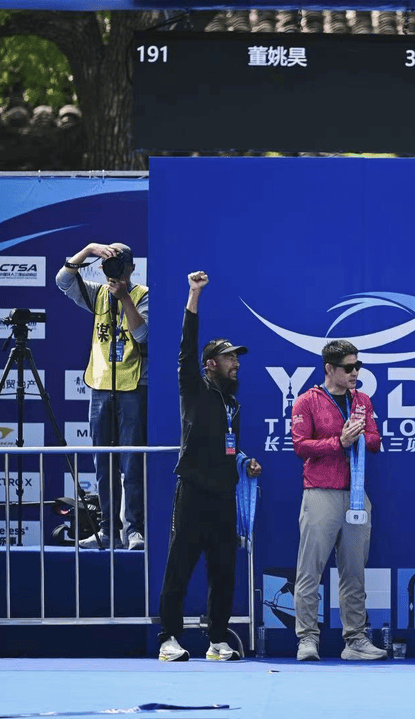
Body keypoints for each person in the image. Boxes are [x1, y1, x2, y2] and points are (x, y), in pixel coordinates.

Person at [157, 271, 262, 662]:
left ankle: (217, 640)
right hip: (193, 492)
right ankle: (169, 638)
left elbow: (226, 443)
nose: (236, 363)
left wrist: (245, 463)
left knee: (223, 571)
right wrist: (194, 295)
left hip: (224, 495)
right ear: (210, 364)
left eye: (237, 358)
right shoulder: (193, 386)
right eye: (230, 357)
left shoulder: (233, 403)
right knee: (180, 566)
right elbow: (187, 346)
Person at [290, 340, 385, 662]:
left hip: (356, 495)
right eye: (348, 367)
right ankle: (307, 638)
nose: (355, 372)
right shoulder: (307, 401)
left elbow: (375, 440)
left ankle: (355, 639)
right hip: (320, 492)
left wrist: (359, 437)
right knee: (310, 570)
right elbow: (301, 446)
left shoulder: (362, 401)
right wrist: (339, 442)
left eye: (358, 366)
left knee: (354, 571)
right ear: (329, 368)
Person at [56, 242, 148, 550]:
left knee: (132, 463)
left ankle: (134, 530)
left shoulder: (143, 295)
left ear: (131, 269)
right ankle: (108, 531)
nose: (114, 271)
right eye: (109, 265)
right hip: (100, 388)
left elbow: (143, 335)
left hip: (133, 388)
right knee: (104, 464)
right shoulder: (97, 294)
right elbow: (63, 281)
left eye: (120, 265)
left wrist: (124, 297)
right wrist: (87, 250)